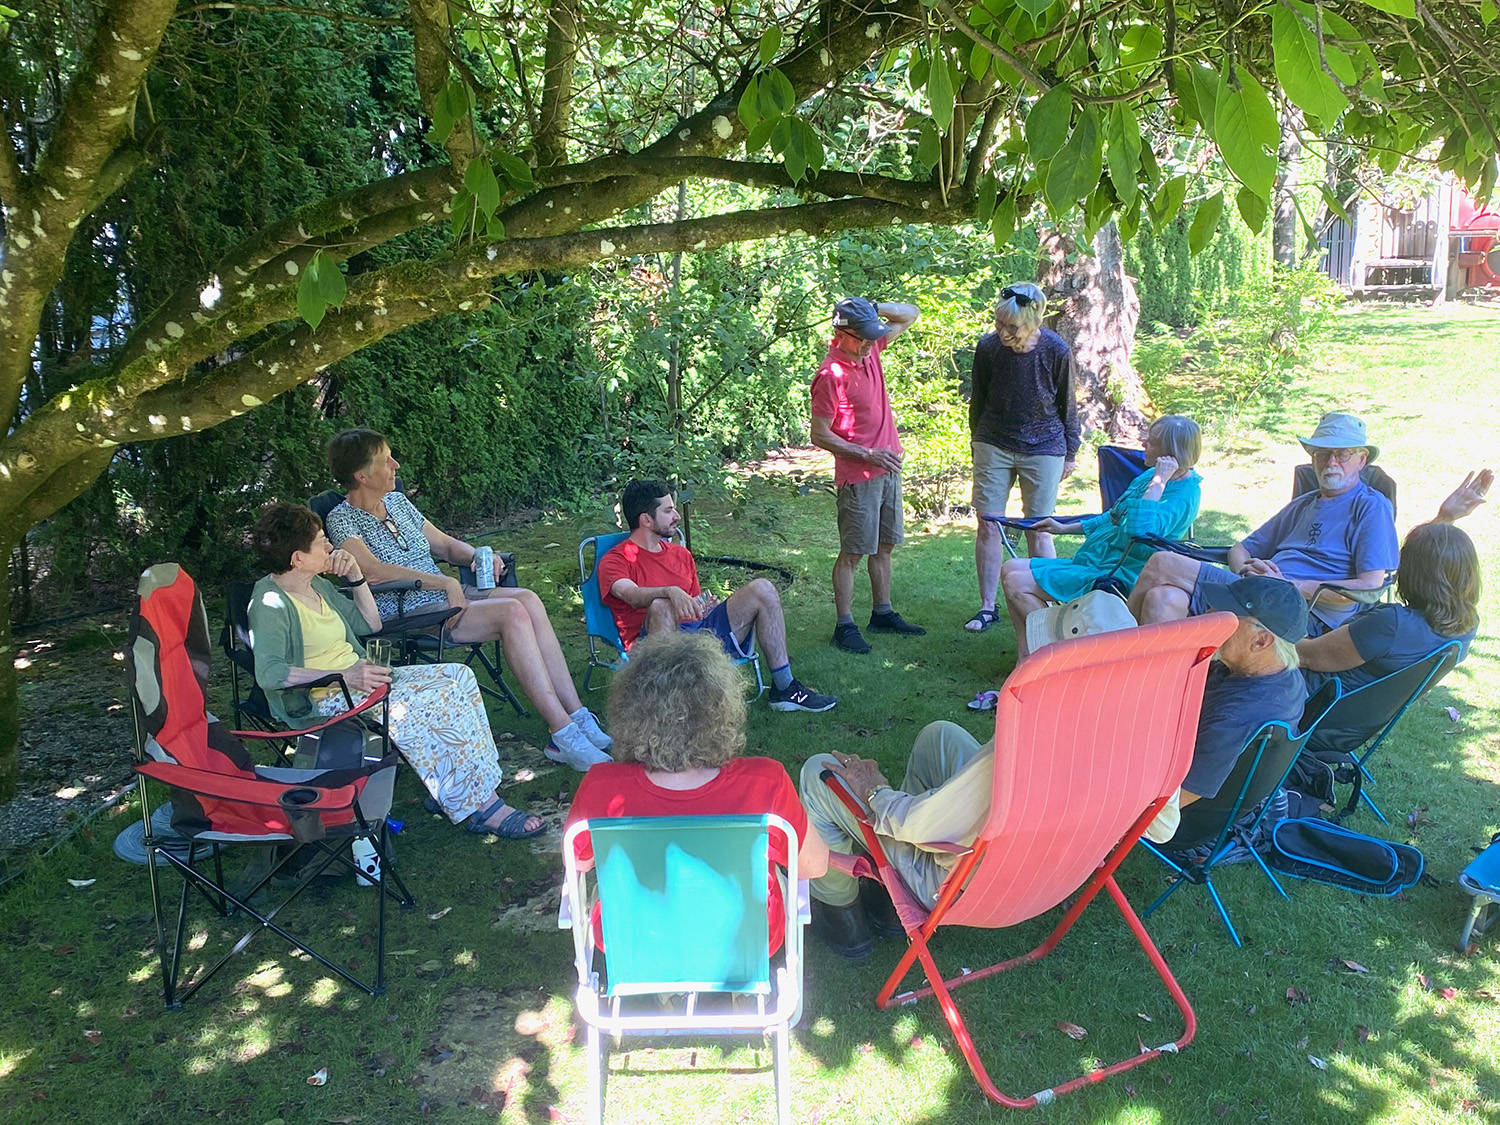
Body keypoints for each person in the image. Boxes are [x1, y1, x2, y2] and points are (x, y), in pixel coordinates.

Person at [797, 576, 1308, 957]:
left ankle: (847, 923)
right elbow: (1161, 821)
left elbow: (910, 823)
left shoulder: (1035, 744)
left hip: (977, 886)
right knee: (938, 738)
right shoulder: (1144, 741)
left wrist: (875, 791)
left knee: (821, 774)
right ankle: (890, 905)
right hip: (1057, 870)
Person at [247, 503, 544, 838]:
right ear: (298, 558)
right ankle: (483, 808)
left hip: (360, 676)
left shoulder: (320, 587)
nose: (331, 546)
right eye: (321, 542)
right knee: (431, 701)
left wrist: (356, 577)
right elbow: (270, 675)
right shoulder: (269, 602)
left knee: (458, 676)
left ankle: (458, 789)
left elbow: (371, 624)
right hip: (322, 694)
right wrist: (345, 676)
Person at [322, 428, 610, 772]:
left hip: (445, 597)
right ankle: (562, 735)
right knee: (512, 613)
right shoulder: (342, 519)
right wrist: (444, 582)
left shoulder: (397, 503)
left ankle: (577, 715)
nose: (396, 465)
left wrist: (477, 555)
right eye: (386, 461)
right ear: (361, 475)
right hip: (404, 609)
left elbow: (444, 545)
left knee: (529, 599)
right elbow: (371, 571)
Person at [563, 631, 830, 954]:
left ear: (628, 712)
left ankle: (665, 994)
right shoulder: (765, 783)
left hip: (638, 943)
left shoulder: (602, 789)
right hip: (745, 940)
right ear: (722, 710)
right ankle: (737, 988)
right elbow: (814, 866)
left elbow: (580, 861)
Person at [1130, 412, 1398, 636]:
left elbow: (1370, 588)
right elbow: (1239, 550)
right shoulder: (1304, 504)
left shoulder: (1371, 508)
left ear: (1362, 459)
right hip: (1257, 593)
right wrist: (1246, 573)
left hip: (1301, 613)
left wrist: (1288, 585)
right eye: (1322, 454)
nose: (1330, 463)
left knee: (1162, 563)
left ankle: (1105, 660)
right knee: (1163, 600)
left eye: (1342, 454)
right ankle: (1158, 692)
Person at [599, 480, 838, 713]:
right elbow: (629, 594)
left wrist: (703, 608)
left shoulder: (681, 555)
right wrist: (669, 591)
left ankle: (785, 688)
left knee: (763, 589)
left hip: (698, 635)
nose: (677, 516)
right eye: (669, 510)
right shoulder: (616, 559)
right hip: (653, 649)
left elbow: (691, 607)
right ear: (646, 519)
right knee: (662, 606)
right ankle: (664, 703)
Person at [998, 415, 1202, 659]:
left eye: (1153, 441)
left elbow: (1140, 530)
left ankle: (1054, 654)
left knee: (1017, 583)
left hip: (1119, 573)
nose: (1144, 443)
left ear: (1172, 453)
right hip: (1094, 561)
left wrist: (1159, 482)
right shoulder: (1147, 477)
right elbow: (1112, 517)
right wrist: (1063, 528)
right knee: (1010, 568)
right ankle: (1029, 653)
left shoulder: (1183, 494)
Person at [809, 296, 928, 655]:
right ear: (840, 334)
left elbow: (911, 314)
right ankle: (844, 625)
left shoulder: (871, 348)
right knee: (853, 553)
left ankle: (883, 612)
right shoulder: (830, 376)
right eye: (860, 337)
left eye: (869, 336)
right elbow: (820, 434)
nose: (867, 344)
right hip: (859, 476)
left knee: (885, 546)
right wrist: (866, 453)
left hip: (888, 468)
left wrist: (873, 306)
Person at [1297, 474, 1488, 694]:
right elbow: (1430, 562)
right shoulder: (1466, 626)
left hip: (1308, 697)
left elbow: (1306, 655)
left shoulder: (1389, 625)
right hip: (1357, 717)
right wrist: (1444, 518)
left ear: (1411, 573)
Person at [966, 283, 1081, 632]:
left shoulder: (1056, 350)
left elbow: (1068, 405)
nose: (1002, 332)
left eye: (1010, 327)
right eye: (999, 324)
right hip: (994, 442)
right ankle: (987, 607)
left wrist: (1071, 453)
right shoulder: (988, 348)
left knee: (1040, 526)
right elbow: (979, 400)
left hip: (1045, 445)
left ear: (1033, 321)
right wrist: (977, 442)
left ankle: (1047, 605)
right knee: (989, 524)